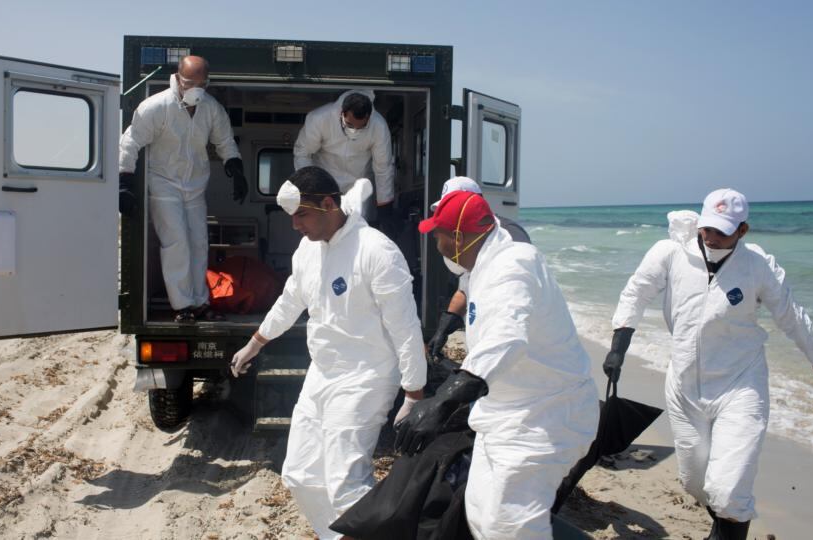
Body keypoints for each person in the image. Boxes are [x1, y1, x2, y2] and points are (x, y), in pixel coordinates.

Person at [604, 188, 813, 540]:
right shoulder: (670, 254)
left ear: (742, 230)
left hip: (740, 386)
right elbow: (636, 292)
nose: (710, 237)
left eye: (721, 231)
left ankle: (728, 526)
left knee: (728, 491)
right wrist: (619, 345)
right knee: (696, 484)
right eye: (707, 228)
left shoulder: (757, 266)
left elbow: (792, 317)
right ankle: (722, 520)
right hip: (684, 387)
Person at [229, 166, 427, 540]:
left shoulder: (377, 252)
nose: (295, 226)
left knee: (346, 483)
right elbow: (290, 301)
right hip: (322, 374)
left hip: (366, 377)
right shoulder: (308, 250)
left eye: (301, 215)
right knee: (299, 475)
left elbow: (406, 329)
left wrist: (414, 392)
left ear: (328, 204)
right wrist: (255, 342)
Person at [396, 191, 599, 539]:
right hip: (504, 414)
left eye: (437, 234)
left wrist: (442, 402)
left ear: (458, 238)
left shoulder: (512, 266)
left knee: (509, 525)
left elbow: (505, 339)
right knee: (481, 514)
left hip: (545, 418)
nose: (435, 241)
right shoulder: (485, 263)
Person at [118, 55, 247, 322]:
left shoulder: (211, 108)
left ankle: (200, 302)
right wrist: (123, 181)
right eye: (189, 83)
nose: (195, 89)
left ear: (207, 83)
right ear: (177, 78)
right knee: (176, 243)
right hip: (163, 183)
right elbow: (130, 142)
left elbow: (224, 140)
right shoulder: (156, 107)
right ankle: (182, 305)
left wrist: (236, 169)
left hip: (195, 185)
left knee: (199, 243)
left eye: (201, 84)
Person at [425, 177, 532, 361]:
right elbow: (465, 286)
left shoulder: (511, 240)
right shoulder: (471, 241)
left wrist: (473, 376)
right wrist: (445, 325)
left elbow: (513, 320)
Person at [293, 90, 396, 226]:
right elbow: (303, 153)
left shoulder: (379, 126)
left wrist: (385, 207)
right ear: (342, 113)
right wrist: (311, 190)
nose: (355, 131)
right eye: (350, 125)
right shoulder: (319, 118)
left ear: (369, 117)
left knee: (357, 231)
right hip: (324, 186)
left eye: (362, 127)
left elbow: (383, 168)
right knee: (322, 230)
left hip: (358, 187)